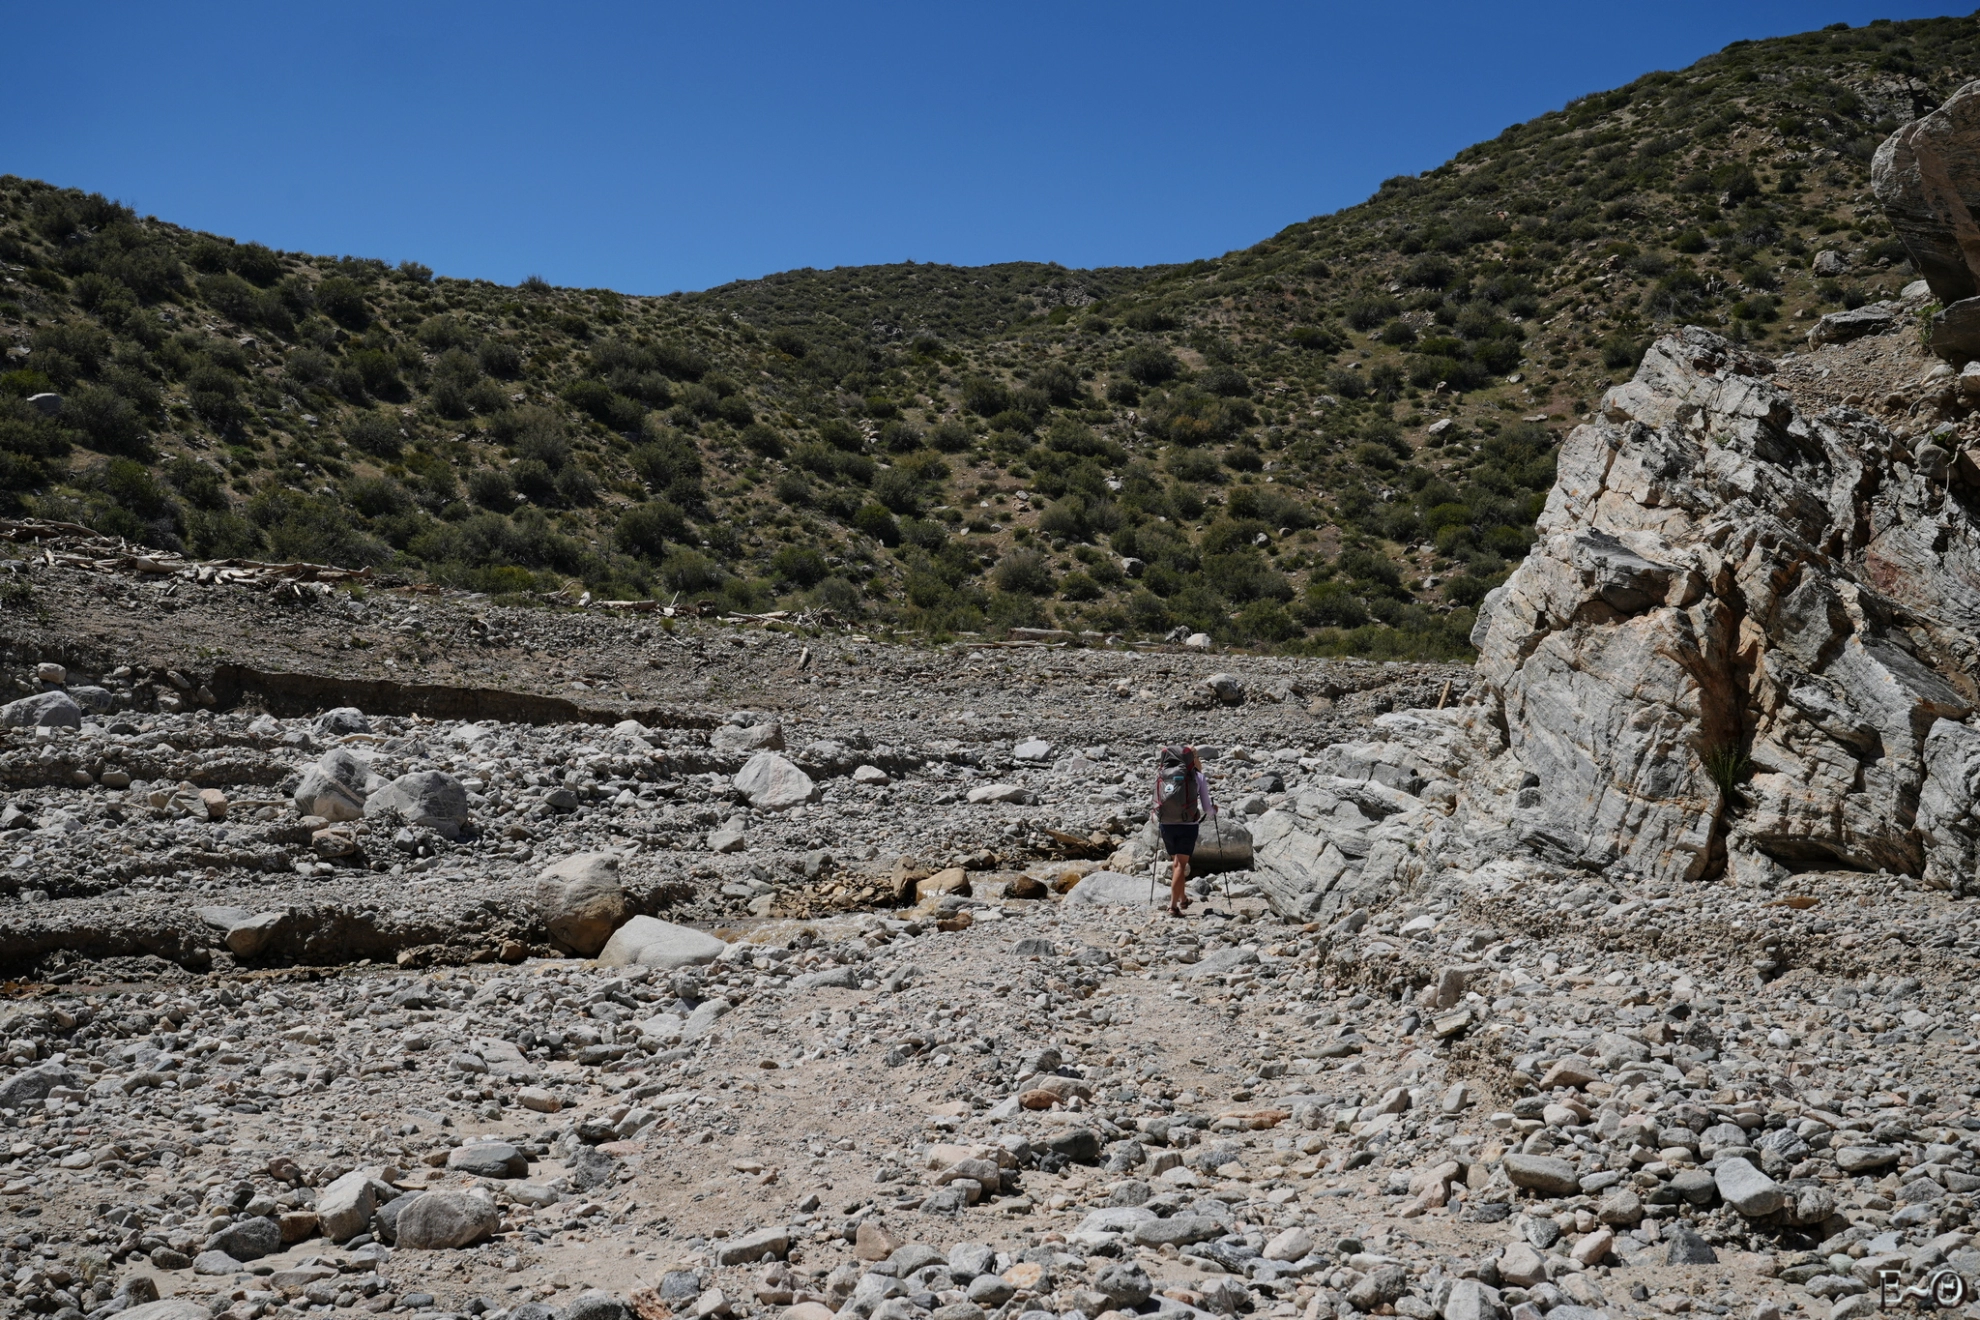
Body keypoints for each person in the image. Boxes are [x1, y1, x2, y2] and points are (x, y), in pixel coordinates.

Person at [1151, 745, 1216, 917]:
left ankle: (1183, 899)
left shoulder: (1162, 774)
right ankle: (1173, 907)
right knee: (1180, 865)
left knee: (1176, 863)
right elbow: (1207, 809)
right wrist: (1214, 810)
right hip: (1187, 825)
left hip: (1166, 824)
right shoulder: (1197, 776)